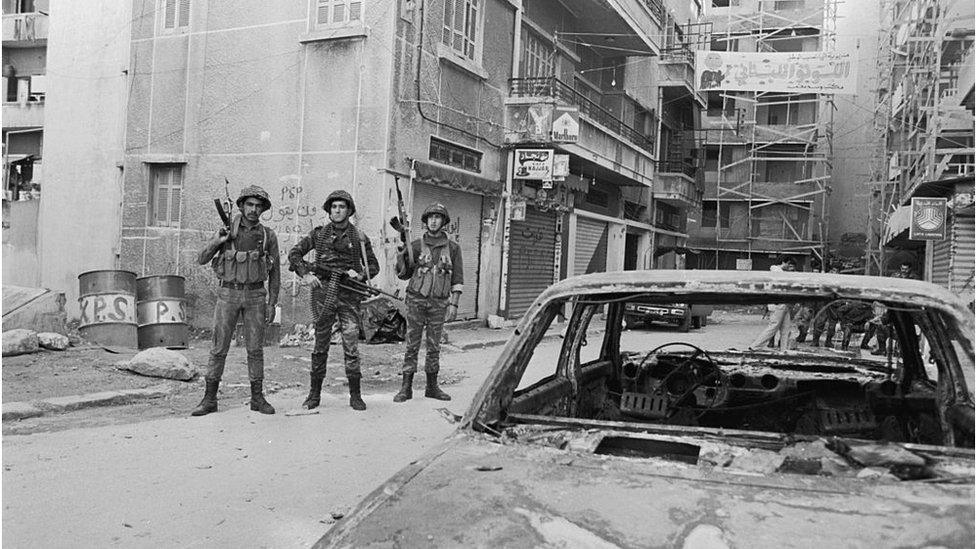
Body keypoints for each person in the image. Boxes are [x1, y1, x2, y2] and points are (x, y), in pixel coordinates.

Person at [192, 185, 280, 416]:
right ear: (241, 206)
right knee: (218, 348)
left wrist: (272, 303)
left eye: (258, 206)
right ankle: (209, 399)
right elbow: (201, 259)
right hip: (228, 294)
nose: (253, 209)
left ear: (263, 210)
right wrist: (217, 242)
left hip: (255, 296)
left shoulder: (268, 235)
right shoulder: (226, 230)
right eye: (249, 204)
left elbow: (276, 272)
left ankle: (257, 399)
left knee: (255, 349)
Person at [288, 190, 379, 411]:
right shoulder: (318, 234)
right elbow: (294, 254)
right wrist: (306, 275)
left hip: (349, 296)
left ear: (349, 210)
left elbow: (374, 266)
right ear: (329, 210)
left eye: (342, 207)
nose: (337, 210)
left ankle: (355, 395)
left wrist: (361, 275)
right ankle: (314, 394)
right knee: (320, 346)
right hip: (323, 295)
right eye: (334, 207)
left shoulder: (359, 237)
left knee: (351, 346)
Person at [392, 203, 463, 403]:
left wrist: (454, 305)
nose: (433, 220)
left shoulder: (454, 249)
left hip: (439, 303)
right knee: (412, 344)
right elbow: (404, 274)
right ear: (425, 221)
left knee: (434, 345)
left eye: (437, 217)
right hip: (416, 300)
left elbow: (457, 279)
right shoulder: (415, 244)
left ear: (443, 222)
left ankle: (432, 387)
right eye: (430, 217)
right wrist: (402, 253)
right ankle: (406, 388)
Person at [749, 257, 796, 350]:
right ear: (784, 262)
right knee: (773, 327)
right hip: (778, 304)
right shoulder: (778, 272)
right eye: (789, 265)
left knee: (785, 328)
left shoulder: (777, 271)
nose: (790, 268)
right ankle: (755, 346)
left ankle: (784, 349)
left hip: (782, 303)